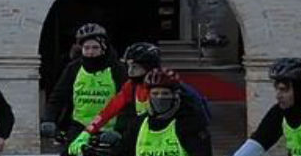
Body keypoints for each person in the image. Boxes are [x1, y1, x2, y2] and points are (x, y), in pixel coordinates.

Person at [82, 40, 213, 139]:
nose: (130, 71)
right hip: (145, 136)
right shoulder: (131, 86)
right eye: (128, 66)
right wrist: (89, 130)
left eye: (135, 67)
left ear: (149, 67)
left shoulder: (167, 86)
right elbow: (111, 108)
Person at [44, 23, 119, 156]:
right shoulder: (74, 68)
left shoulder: (116, 69)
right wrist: (49, 119)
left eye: (95, 48)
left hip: (109, 129)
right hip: (80, 127)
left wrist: (120, 130)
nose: (90, 52)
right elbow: (58, 97)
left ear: (104, 48)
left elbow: (127, 103)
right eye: (86, 48)